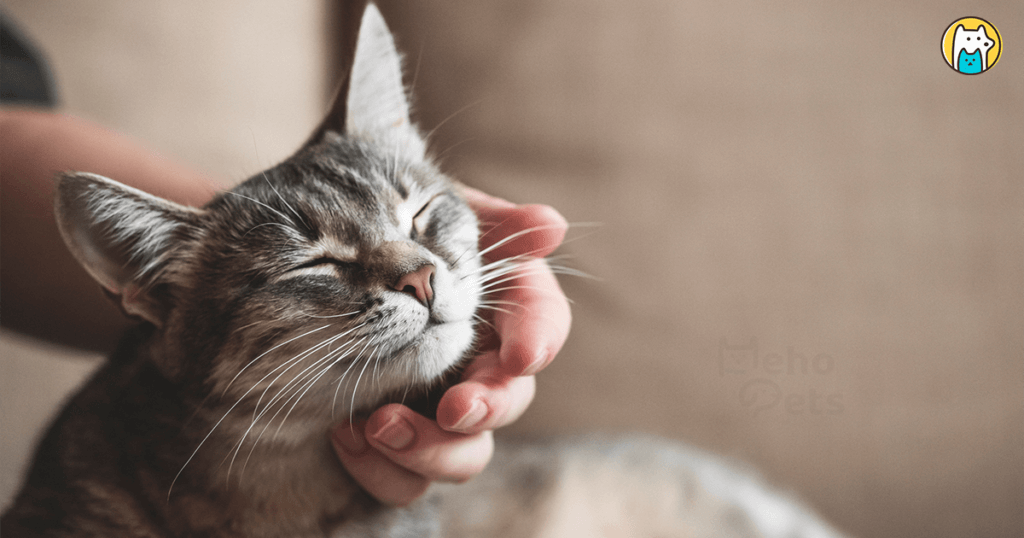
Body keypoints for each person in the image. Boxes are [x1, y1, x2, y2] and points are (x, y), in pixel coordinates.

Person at [0, 108, 571, 506]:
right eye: (313, 264)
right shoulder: (89, 495)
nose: (415, 273)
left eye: (421, 217)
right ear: (166, 293)